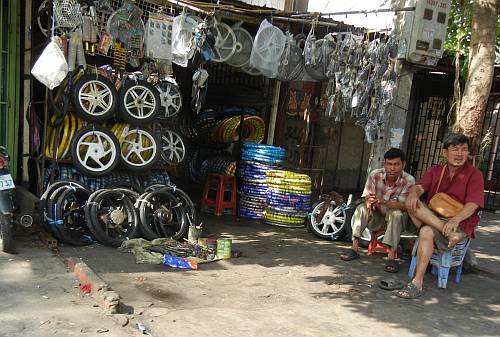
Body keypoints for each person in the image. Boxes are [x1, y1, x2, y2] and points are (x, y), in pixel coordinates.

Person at [398, 133, 484, 299]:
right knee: (414, 203)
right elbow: (420, 187)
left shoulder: (475, 174)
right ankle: (448, 234)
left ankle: (417, 282)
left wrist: (455, 220)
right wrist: (414, 194)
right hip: (437, 218)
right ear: (445, 153)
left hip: (459, 221)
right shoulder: (436, 170)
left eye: (464, 150)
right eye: (455, 149)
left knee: (425, 232)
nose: (460, 154)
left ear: (468, 153)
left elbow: (473, 204)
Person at [341, 148, 415, 273]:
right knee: (361, 209)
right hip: (376, 216)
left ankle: (391, 257)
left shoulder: (409, 180)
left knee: (396, 213)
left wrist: (384, 201)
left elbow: (404, 206)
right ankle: (354, 249)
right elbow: (367, 197)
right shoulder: (375, 175)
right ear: (384, 164)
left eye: (396, 164)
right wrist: (369, 201)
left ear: (403, 164)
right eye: (389, 164)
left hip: (395, 221)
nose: (392, 168)